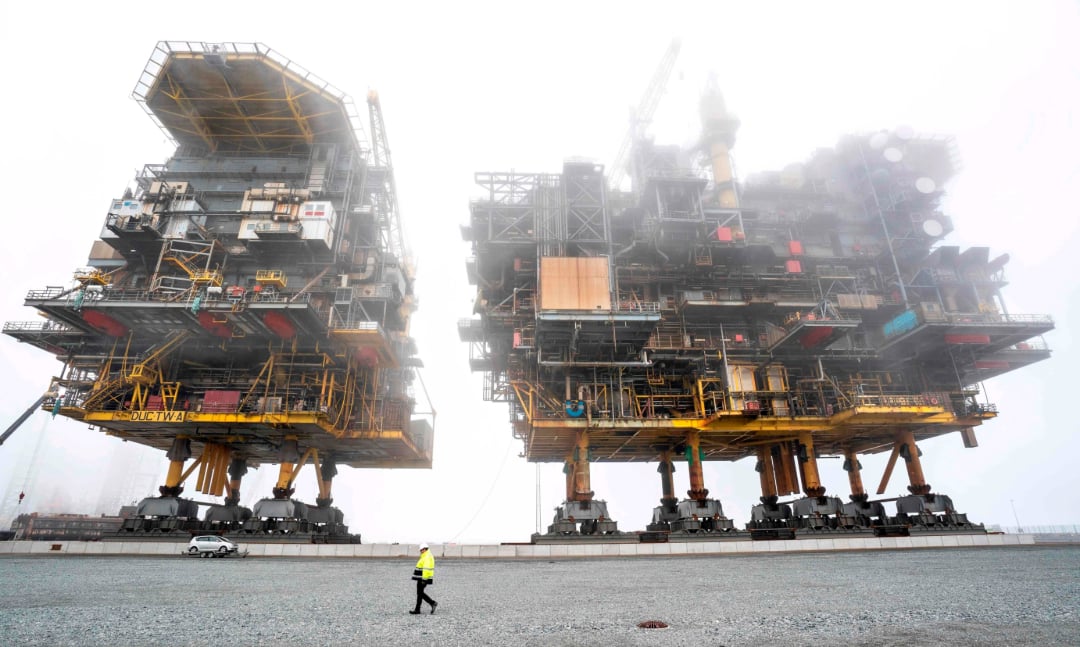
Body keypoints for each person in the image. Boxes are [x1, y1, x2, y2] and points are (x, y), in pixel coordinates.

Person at [409, 543, 437, 615]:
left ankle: (432, 603)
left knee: (420, 593)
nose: (421, 551)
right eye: (420, 550)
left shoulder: (427, 556)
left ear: (425, 549)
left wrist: (424, 579)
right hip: (421, 578)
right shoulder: (426, 555)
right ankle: (418, 609)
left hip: (423, 578)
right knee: (419, 593)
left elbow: (426, 569)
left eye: (422, 549)